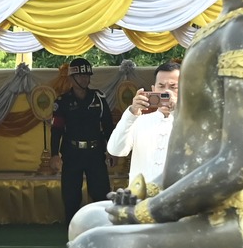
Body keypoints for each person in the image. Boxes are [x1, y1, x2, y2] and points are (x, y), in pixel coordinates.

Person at [104, 61, 181, 193]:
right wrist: (132, 113)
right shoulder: (139, 121)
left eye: (173, 87)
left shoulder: (191, 123)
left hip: (176, 200)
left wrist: (178, 110)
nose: (166, 92)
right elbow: (115, 150)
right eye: (161, 86)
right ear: (153, 89)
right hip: (141, 200)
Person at [52, 57, 112, 220]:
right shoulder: (62, 101)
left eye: (87, 76)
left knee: (101, 194)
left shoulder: (99, 98)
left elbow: (107, 125)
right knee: (71, 197)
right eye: (80, 76)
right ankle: (72, 230)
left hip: (95, 153)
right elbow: (56, 129)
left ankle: (103, 227)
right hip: (72, 154)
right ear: (71, 78)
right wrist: (54, 154)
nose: (84, 79)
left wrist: (111, 150)